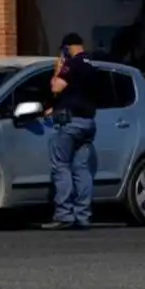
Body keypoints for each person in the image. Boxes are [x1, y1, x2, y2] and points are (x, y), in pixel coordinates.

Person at [43, 33, 98, 231]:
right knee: (82, 169)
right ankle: (83, 215)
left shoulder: (72, 64)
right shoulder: (91, 65)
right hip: (88, 122)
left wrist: (57, 71)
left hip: (71, 122)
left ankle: (64, 214)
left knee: (61, 166)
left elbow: (57, 88)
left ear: (67, 48)